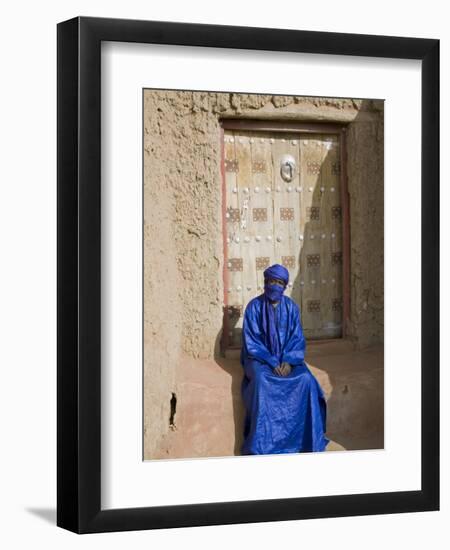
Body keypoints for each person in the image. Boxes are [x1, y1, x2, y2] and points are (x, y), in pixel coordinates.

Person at [240, 263, 329, 455]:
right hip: (260, 359)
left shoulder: (291, 308)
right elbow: (252, 343)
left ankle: (304, 441)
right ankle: (260, 444)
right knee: (262, 381)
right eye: (271, 281)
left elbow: (297, 338)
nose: (274, 285)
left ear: (284, 285)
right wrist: (272, 362)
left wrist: (288, 361)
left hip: (289, 359)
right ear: (265, 283)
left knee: (305, 380)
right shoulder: (254, 307)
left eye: (279, 282)